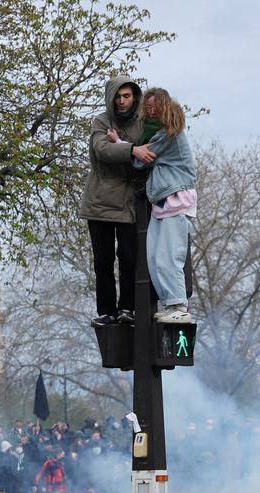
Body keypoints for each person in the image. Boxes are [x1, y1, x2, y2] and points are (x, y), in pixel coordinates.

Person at [80, 75, 154, 327]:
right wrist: (132, 149)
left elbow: (150, 154)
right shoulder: (101, 121)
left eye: (127, 96)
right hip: (99, 202)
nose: (122, 101)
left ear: (135, 97)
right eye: (118, 96)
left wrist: (122, 144)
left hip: (129, 204)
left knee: (129, 257)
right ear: (111, 97)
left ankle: (127, 308)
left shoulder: (143, 122)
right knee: (103, 260)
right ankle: (106, 311)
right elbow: (101, 151)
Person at [124, 87, 197, 324]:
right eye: (148, 108)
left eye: (155, 107)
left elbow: (140, 161)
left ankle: (178, 305)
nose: (151, 111)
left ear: (165, 107)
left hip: (175, 199)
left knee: (168, 255)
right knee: (154, 257)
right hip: (162, 202)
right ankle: (170, 303)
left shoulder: (168, 134)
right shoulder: (159, 134)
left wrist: (119, 143)